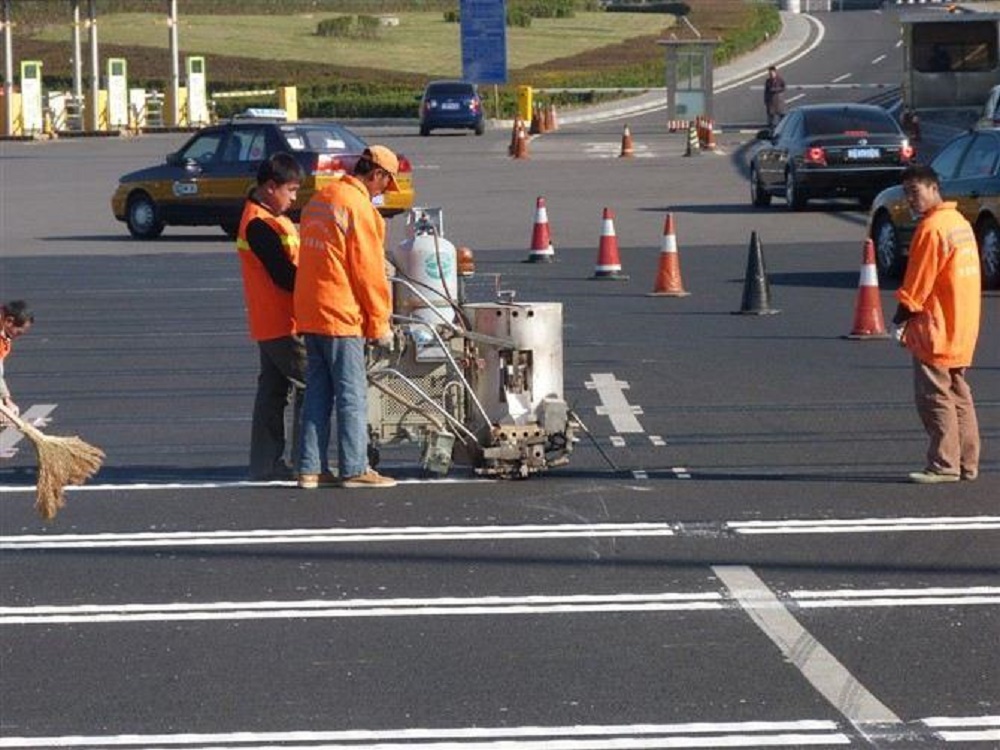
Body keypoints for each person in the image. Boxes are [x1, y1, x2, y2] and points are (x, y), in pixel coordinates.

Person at [293, 145, 399, 489]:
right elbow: (368, 272)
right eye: (386, 183)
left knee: (318, 393)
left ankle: (310, 468)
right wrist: (380, 323)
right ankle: (355, 468)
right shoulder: (358, 207)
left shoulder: (321, 199)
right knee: (352, 393)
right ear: (377, 174)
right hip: (340, 313)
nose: (384, 190)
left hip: (311, 310)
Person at [892, 165, 981, 484]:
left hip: (936, 327)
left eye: (915, 192)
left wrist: (900, 320)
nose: (911, 200)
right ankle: (967, 463)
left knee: (934, 398)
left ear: (933, 188)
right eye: (906, 193)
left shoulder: (932, 229)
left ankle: (944, 464)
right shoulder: (959, 224)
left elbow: (918, 283)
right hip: (963, 324)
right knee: (959, 394)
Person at [236, 153, 306, 481]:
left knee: (273, 391)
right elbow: (283, 274)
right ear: (270, 187)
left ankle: (265, 464)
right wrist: (321, 284)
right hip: (283, 323)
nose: (294, 198)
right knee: (313, 384)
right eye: (290, 190)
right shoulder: (259, 224)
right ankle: (307, 460)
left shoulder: (268, 217)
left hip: (271, 322)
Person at [0, 300, 34, 422]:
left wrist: (6, 399)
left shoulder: (4, 338)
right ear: (9, 321)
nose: (18, 336)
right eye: (18, 332)